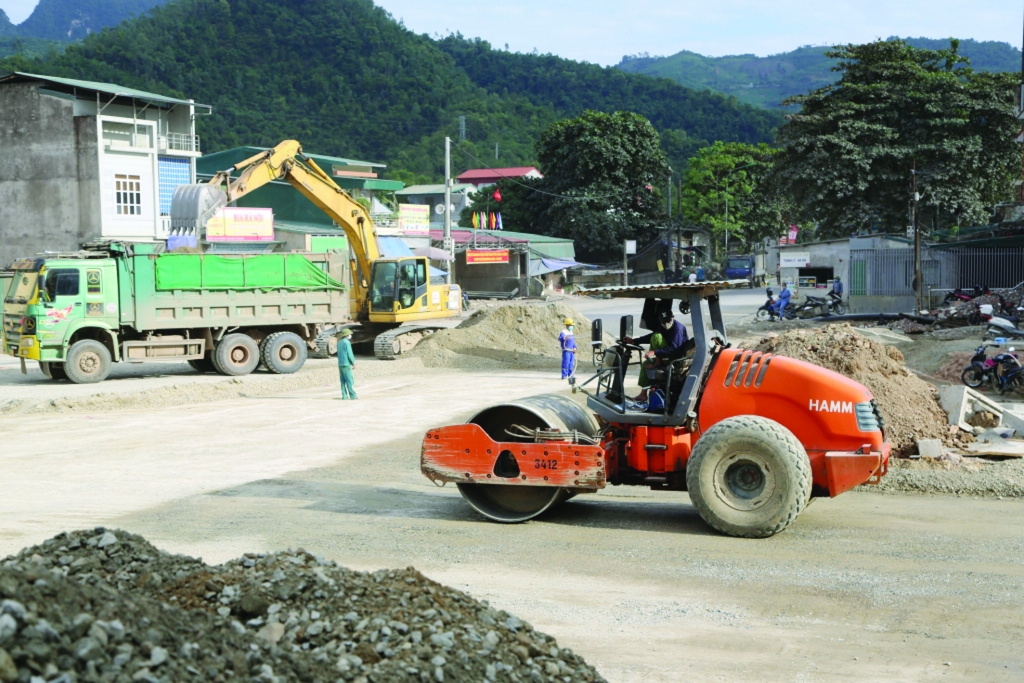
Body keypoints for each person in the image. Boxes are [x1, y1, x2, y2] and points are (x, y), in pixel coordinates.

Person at [625, 310, 689, 400]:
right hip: (665, 356)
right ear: (659, 319)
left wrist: (655, 352)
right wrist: (634, 341)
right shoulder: (663, 327)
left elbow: (675, 349)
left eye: (668, 321)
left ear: (673, 317)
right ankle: (643, 394)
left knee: (657, 337)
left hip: (675, 358)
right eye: (663, 321)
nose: (666, 323)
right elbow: (651, 337)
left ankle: (658, 362)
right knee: (645, 365)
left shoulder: (677, 328)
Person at [336, 328, 357, 400]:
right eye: (350, 334)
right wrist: (353, 363)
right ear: (347, 335)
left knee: (342, 381)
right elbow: (349, 354)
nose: (350, 335)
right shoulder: (347, 342)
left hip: (340, 364)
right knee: (349, 380)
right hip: (346, 364)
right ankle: (353, 395)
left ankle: (344, 396)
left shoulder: (339, 342)